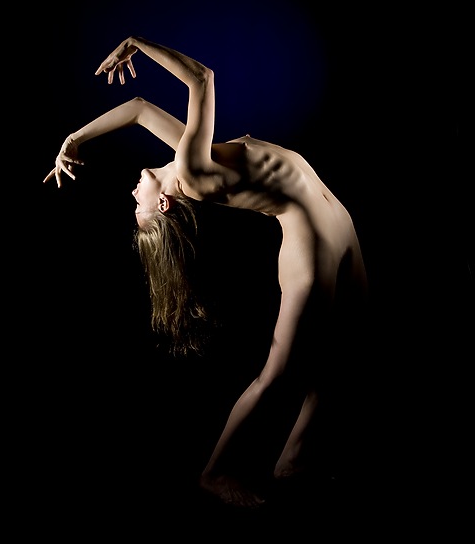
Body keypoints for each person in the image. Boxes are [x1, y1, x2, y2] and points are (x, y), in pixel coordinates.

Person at [43, 36, 369, 509]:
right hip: (311, 244)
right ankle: (214, 472)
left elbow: (139, 109)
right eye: (138, 209)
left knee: (344, 350)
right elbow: (201, 78)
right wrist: (135, 43)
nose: (131, 196)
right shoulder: (193, 173)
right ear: (164, 204)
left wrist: (73, 140)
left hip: (338, 222)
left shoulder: (185, 158)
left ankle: (296, 459)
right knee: (279, 371)